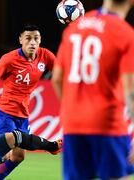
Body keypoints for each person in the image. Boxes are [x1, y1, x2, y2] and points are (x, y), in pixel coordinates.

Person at [51, 0, 134, 179]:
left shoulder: (73, 28)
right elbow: (130, 92)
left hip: (73, 124)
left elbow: (56, 78)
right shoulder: (125, 33)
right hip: (107, 124)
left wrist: (72, 109)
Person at [0, 24, 56, 179]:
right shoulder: (10, 59)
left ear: (40, 40)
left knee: (18, 156)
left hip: (23, 115)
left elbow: (61, 71)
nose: (32, 42)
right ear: (21, 40)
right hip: (5, 113)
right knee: (3, 152)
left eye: (36, 38)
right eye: (28, 38)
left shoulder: (45, 56)